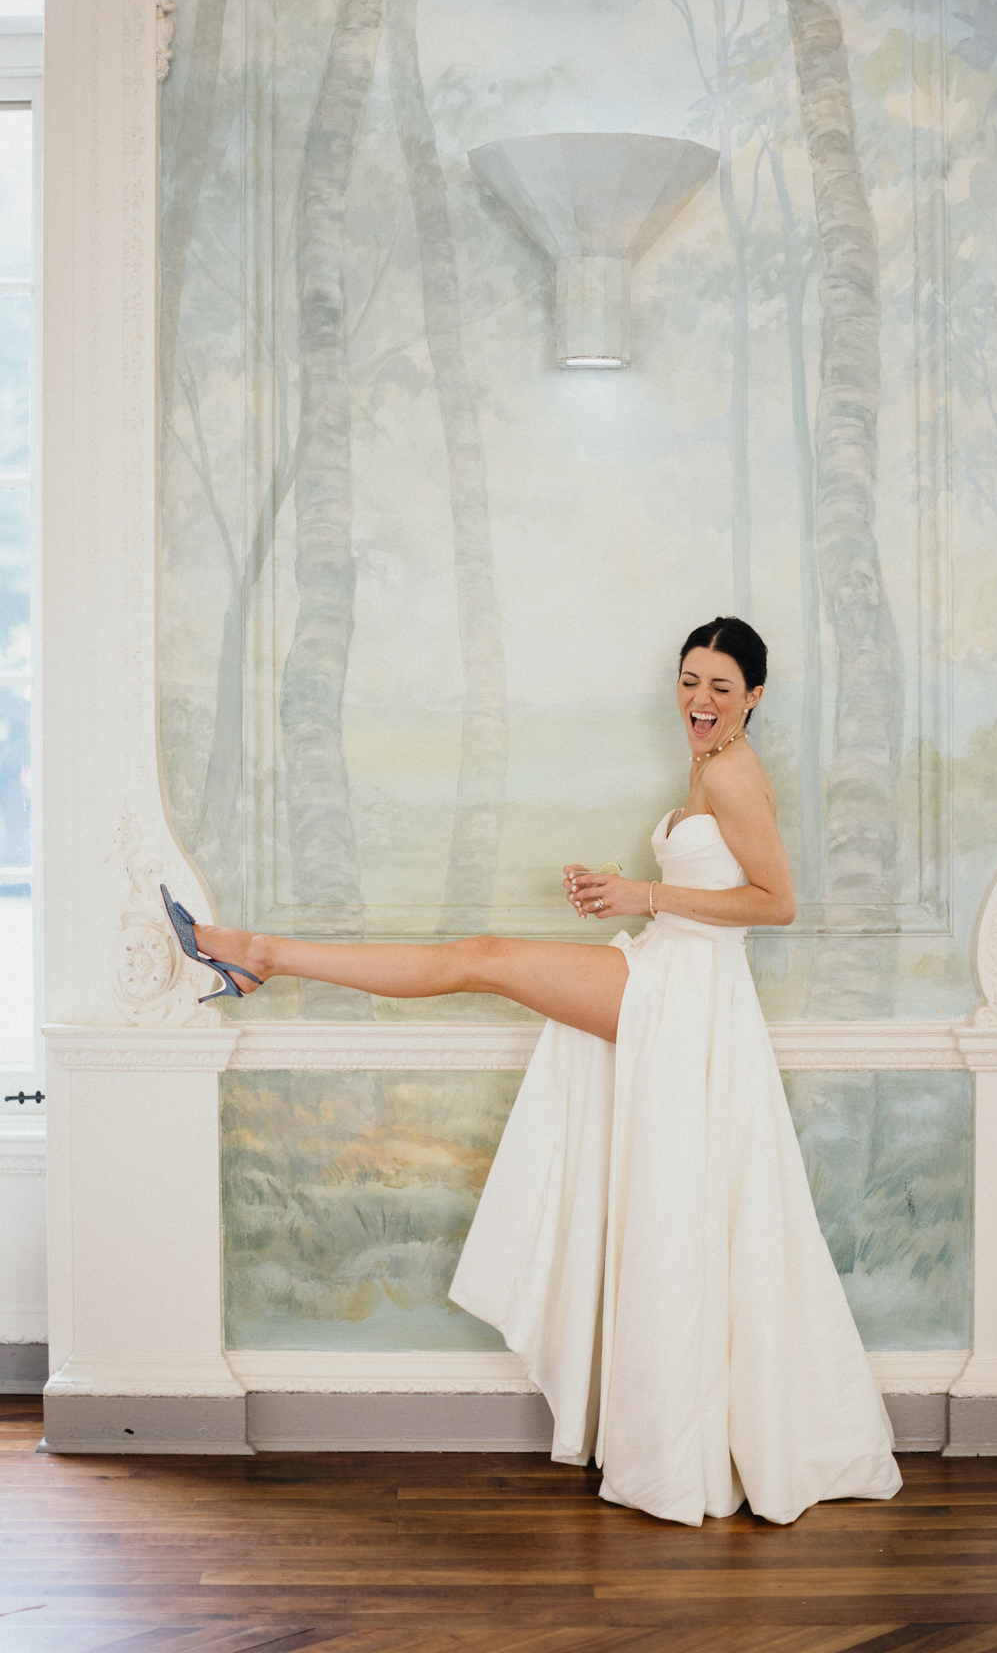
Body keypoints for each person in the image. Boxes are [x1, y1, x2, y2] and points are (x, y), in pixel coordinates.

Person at [162, 616, 901, 1525]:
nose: (698, 701)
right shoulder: (710, 768)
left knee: (480, 957)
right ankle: (258, 955)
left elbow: (776, 904)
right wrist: (626, 897)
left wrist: (643, 895)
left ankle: (261, 954)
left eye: (719, 686)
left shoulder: (738, 772)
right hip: (669, 978)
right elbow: (714, 895)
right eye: (688, 680)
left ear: (753, 695)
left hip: (685, 997)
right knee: (480, 958)